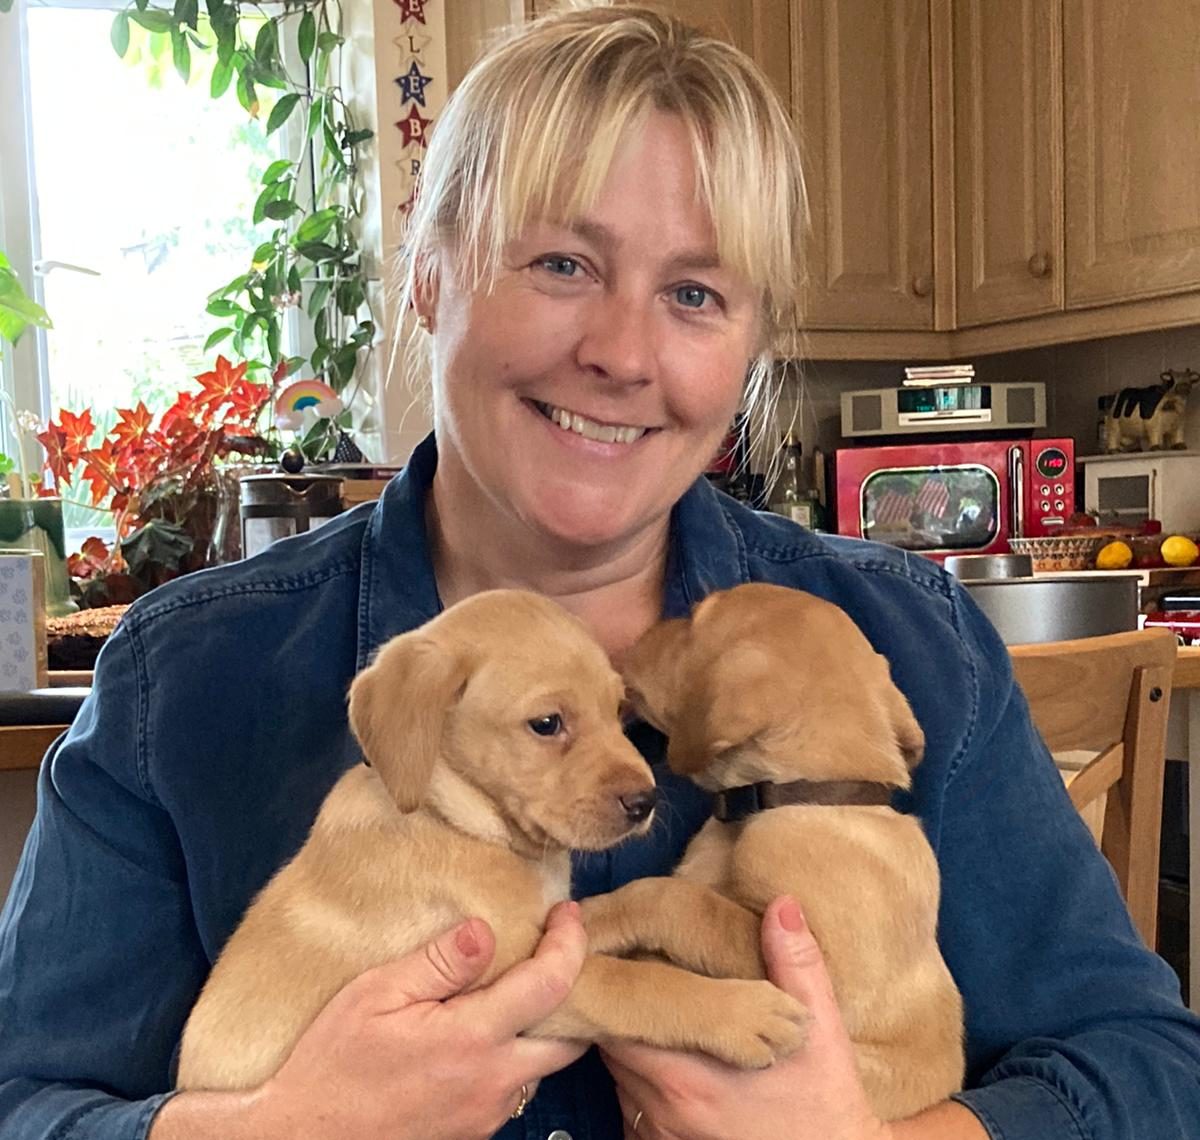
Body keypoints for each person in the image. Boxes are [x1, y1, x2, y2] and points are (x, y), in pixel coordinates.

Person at [1, 6, 1198, 1139]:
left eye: (693, 293)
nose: (622, 353)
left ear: (749, 346)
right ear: (430, 273)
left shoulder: (909, 643)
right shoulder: (187, 678)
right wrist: (269, 1129)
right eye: (564, 264)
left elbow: (1150, 1070)